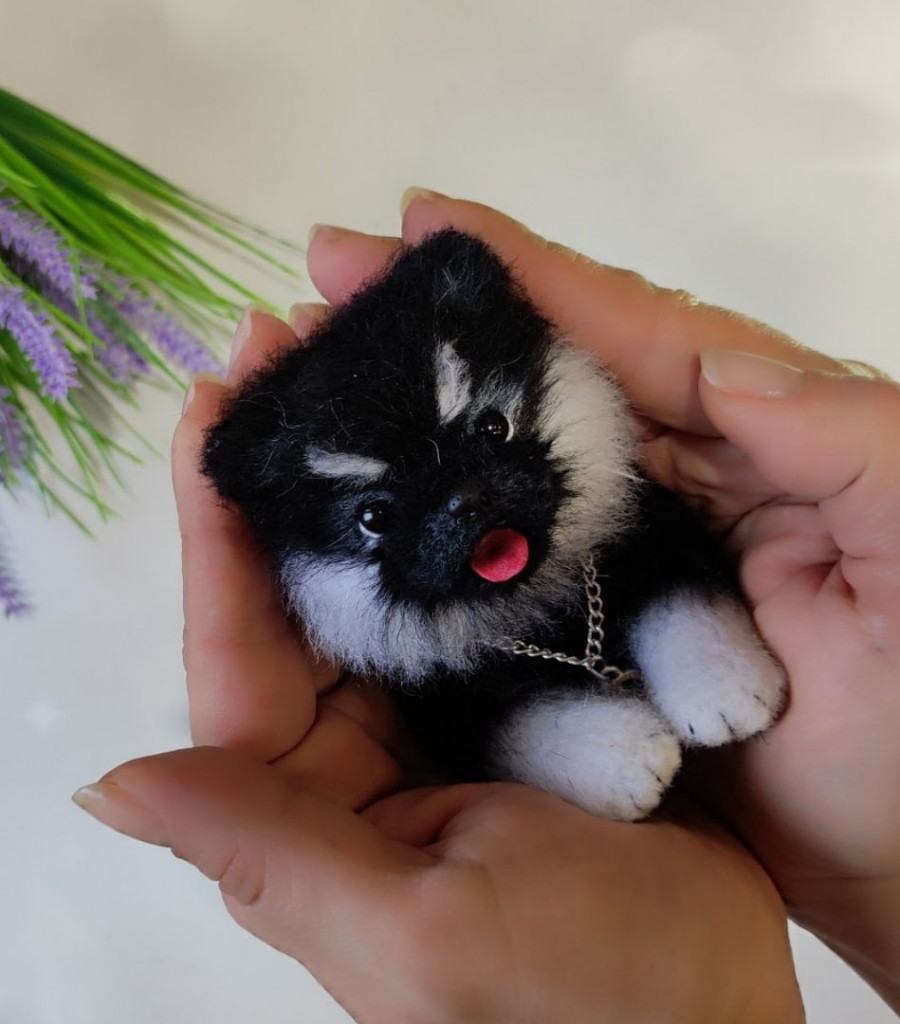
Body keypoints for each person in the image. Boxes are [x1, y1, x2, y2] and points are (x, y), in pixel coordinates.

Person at [73, 191, 900, 1022]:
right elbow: (476, 730)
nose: (462, 504)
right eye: (377, 515)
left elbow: (674, 568)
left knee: (666, 569)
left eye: (490, 431)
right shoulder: (426, 673)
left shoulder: (628, 523)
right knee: (485, 718)